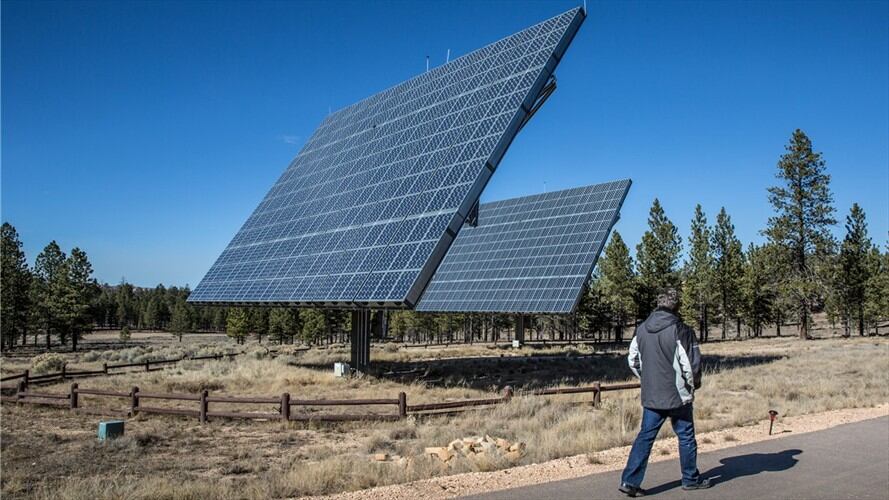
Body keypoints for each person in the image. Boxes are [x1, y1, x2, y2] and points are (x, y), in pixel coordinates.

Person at [619, 288, 711, 497]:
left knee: (645, 436)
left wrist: (647, 379)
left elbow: (633, 359)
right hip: (677, 394)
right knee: (686, 436)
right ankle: (690, 479)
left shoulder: (641, 329)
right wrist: (692, 386)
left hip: (652, 394)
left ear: (658, 304)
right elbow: (691, 365)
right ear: (677, 306)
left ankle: (629, 481)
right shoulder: (681, 330)